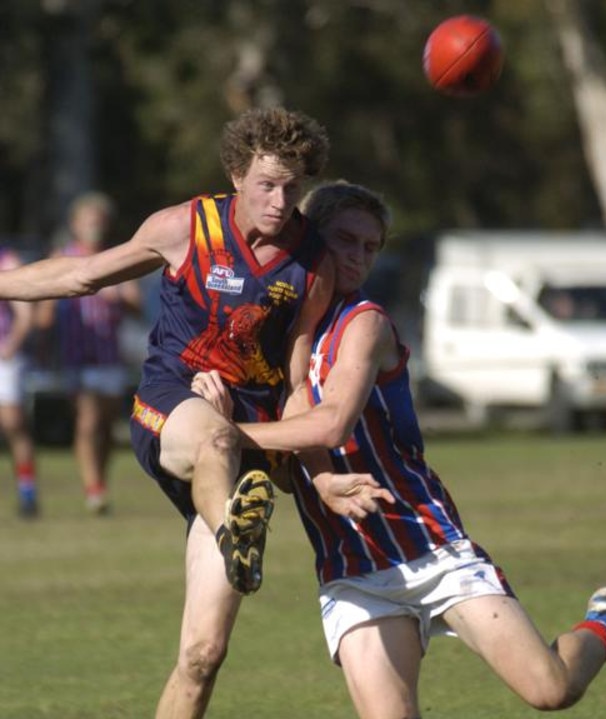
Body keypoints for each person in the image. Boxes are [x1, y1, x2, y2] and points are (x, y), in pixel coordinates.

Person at [191, 181, 606, 718]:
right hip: (349, 567)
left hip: (426, 541)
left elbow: (329, 426)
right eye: (344, 241)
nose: (357, 257)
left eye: (370, 247)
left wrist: (225, 432)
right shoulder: (272, 337)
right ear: (308, 240)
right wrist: (216, 407)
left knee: (550, 690)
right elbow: (289, 475)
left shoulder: (365, 323)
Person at [0, 107, 362, 719]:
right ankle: (234, 531)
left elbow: (299, 381)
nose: (280, 201)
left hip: (247, 446)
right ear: (236, 173)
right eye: (267, 184)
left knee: (202, 654)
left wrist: (320, 473)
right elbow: (82, 276)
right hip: (170, 408)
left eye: (293, 187)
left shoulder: (313, 262)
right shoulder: (184, 227)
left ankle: (232, 531)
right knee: (215, 441)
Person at [37, 191, 143, 515]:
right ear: (75, 225)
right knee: (87, 420)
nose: (93, 228)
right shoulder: (63, 257)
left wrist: (118, 297)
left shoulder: (116, 258)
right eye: (88, 222)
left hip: (108, 356)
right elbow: (43, 312)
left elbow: (137, 306)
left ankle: (101, 480)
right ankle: (93, 488)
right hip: (76, 356)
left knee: (107, 425)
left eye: (98, 222)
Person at [0, 248, 38, 518]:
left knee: (13, 423)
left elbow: (25, 314)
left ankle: (27, 493)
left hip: (4, 358)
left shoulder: (7, 260)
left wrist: (11, 343)